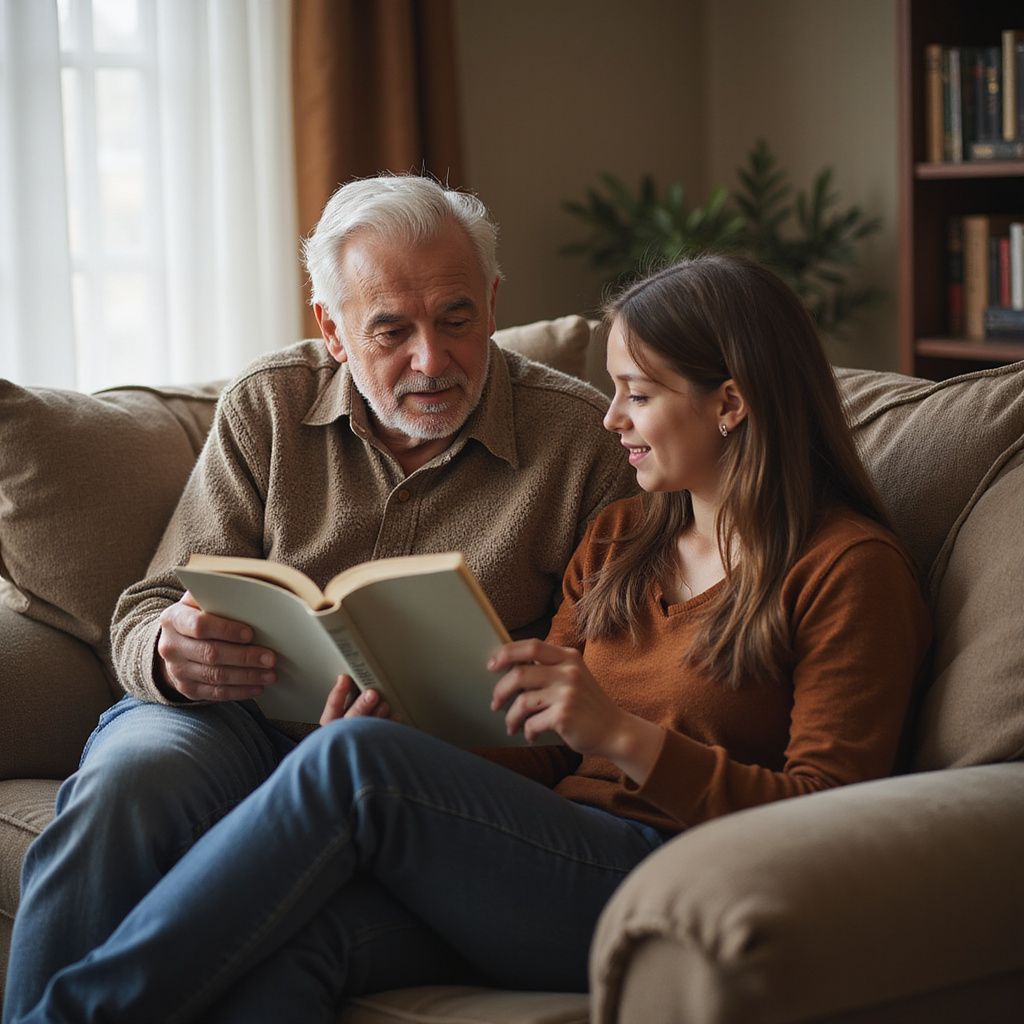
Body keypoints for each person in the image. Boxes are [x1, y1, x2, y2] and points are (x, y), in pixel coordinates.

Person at [5, 253, 932, 1024]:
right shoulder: (625, 540)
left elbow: (831, 814)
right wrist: (421, 742)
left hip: (671, 882)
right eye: (611, 391)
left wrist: (623, 738)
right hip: (542, 858)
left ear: (729, 404)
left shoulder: (848, 571)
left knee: (359, 766)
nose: (611, 421)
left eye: (636, 395)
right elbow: (537, 753)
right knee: (287, 946)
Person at [1, 176, 637, 1023]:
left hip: (423, 766)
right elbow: (146, 603)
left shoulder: (582, 443)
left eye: (456, 318)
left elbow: (602, 689)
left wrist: (455, 746)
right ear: (333, 330)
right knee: (128, 780)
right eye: (391, 330)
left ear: (492, 302)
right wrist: (167, 648)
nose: (431, 361)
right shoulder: (268, 404)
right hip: (232, 721)